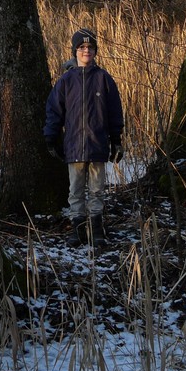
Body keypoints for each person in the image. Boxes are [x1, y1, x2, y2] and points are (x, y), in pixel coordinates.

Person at [44, 28, 124, 247]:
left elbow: (114, 111)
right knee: (76, 190)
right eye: (82, 47)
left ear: (95, 51)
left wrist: (116, 140)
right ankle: (77, 229)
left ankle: (96, 229)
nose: (86, 51)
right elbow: (54, 111)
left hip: (98, 143)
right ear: (75, 51)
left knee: (98, 189)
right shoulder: (66, 81)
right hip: (74, 145)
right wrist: (51, 137)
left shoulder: (104, 79)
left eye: (90, 47)